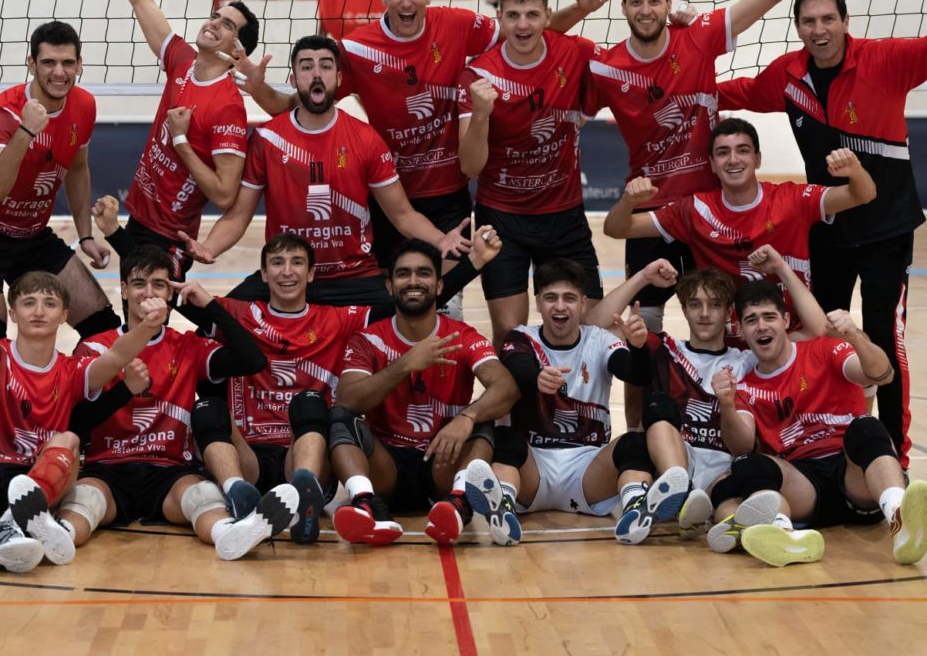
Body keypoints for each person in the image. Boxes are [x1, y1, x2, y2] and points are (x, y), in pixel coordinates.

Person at [236, 0, 615, 279]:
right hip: (387, 189)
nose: (406, 0)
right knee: (392, 293)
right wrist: (258, 90)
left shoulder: (457, 24)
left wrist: (581, 9)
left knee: (444, 297)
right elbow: (301, 106)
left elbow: (526, 34)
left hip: (448, 191)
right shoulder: (356, 48)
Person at [718, 0, 926, 469]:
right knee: (819, 335)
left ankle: (893, 454)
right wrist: (681, 77)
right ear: (798, 29)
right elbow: (742, 90)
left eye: (827, 19)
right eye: (808, 22)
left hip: (887, 230)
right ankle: (821, 440)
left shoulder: (887, 58)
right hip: (829, 229)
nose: (819, 30)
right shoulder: (789, 74)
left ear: (846, 22)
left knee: (881, 335)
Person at [187, 227, 501, 543]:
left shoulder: (340, 320)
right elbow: (161, 297)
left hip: (307, 453)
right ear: (263, 274)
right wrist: (179, 261)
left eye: (296, 263)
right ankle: (240, 494)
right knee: (207, 408)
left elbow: (412, 300)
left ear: (311, 274)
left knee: (311, 403)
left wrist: (474, 262)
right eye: (277, 263)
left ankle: (302, 494)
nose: (287, 271)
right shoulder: (235, 313)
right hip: (250, 453)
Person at [588, 0, 795, 333]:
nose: (645, 10)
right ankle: (645, 403)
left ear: (668, 5)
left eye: (654, 1)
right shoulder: (606, 67)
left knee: (727, 321)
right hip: (649, 210)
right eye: (636, 2)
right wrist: (579, 8)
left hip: (708, 207)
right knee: (641, 330)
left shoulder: (698, 35)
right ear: (623, 7)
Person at [0, 261, 154, 576]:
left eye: (50, 304)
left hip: (36, 490)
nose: (39, 311)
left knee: (70, 440)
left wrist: (147, 325)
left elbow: (117, 356)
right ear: (12, 312)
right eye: (28, 302)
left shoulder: (71, 370)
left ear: (64, 316)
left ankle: (8, 529)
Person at [180, 35, 470, 306]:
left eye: (326, 66)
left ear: (339, 78)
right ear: (294, 79)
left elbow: (402, 214)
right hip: (288, 274)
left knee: (404, 326)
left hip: (355, 276)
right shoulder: (267, 139)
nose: (316, 74)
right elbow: (238, 216)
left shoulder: (366, 139)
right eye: (306, 67)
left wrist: (441, 239)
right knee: (218, 327)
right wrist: (209, 247)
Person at [56, 245, 300, 562]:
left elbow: (252, 360)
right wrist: (125, 390)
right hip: (109, 469)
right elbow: (77, 422)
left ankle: (231, 534)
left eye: (159, 284)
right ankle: (60, 537)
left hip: (170, 472)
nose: (150, 292)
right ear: (125, 290)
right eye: (140, 283)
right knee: (85, 499)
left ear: (170, 295)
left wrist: (210, 306)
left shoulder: (186, 345)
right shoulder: (95, 346)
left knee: (203, 495)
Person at [583, 246, 828, 540]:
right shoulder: (664, 348)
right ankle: (680, 488)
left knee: (731, 509)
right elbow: (594, 326)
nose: (704, 313)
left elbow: (817, 330)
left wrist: (783, 269)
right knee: (658, 405)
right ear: (684, 309)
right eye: (695, 304)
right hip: (673, 460)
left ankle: (733, 534)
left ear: (729, 313)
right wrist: (643, 277)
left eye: (714, 305)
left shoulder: (747, 358)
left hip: (723, 468)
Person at [0, 20, 119, 428]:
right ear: (31, 64)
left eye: (68, 63)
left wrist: (86, 234)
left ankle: (74, 430)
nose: (59, 72)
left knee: (102, 327)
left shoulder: (84, 105)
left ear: (79, 65)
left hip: (32, 236)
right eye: (49, 62)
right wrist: (25, 130)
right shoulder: (1, 113)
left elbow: (77, 168)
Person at [701, 279, 927, 568]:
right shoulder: (744, 386)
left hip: (854, 475)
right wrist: (727, 405)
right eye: (751, 320)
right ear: (742, 332)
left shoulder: (824, 350)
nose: (761, 326)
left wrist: (855, 337)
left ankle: (899, 517)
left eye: (769, 317)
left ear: (785, 320)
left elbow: (882, 374)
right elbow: (741, 444)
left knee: (866, 426)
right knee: (747, 462)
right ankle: (783, 534)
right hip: (804, 487)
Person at [463, 259, 689, 547]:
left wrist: (638, 347)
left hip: (587, 470)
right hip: (533, 466)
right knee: (505, 438)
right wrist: (536, 378)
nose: (560, 306)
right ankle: (503, 504)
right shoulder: (521, 337)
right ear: (538, 303)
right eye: (551, 298)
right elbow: (517, 365)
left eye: (569, 298)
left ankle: (636, 507)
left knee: (633, 443)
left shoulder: (599, 340)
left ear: (583, 304)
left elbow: (636, 373)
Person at [327, 239, 519, 546]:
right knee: (338, 417)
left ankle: (458, 504)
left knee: (484, 415)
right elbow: (347, 400)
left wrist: (468, 416)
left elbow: (506, 387)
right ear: (389, 285)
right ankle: (365, 502)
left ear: (439, 285)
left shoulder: (461, 336)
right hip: (386, 468)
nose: (413, 281)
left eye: (423, 273)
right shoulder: (368, 339)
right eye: (403, 274)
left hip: (441, 461)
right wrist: (404, 365)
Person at [457, 0, 603, 350]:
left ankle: (577, 408)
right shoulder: (477, 74)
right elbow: (470, 167)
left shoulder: (576, 52)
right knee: (509, 336)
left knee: (589, 327)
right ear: (500, 18)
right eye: (513, 15)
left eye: (532, 15)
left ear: (547, 16)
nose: (522, 25)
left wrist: (677, 25)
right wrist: (481, 114)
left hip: (563, 212)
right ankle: (511, 411)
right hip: (502, 216)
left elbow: (634, 63)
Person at [603, 117, 875, 314]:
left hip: (790, 338)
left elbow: (862, 194)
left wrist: (855, 170)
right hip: (726, 346)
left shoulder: (792, 199)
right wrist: (628, 201)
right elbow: (616, 229)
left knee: (857, 363)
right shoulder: (694, 209)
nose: (733, 160)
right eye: (723, 153)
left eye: (742, 150)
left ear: (757, 159)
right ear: (711, 163)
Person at [115, 0, 253, 278]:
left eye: (227, 25)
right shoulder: (182, 60)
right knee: (139, 331)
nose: (213, 23)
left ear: (238, 50)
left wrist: (180, 141)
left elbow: (225, 194)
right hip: (139, 219)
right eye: (215, 16)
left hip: (169, 237)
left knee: (147, 324)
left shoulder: (228, 105)